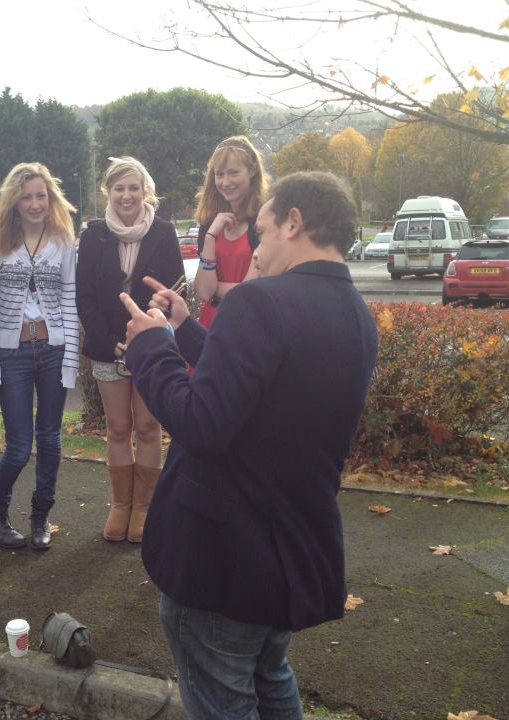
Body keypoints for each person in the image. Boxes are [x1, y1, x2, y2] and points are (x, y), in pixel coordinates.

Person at [119, 171, 379, 719]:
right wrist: (187, 330)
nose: (256, 249)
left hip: (225, 559)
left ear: (294, 221)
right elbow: (259, 389)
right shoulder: (356, 314)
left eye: (262, 231)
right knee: (269, 676)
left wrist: (151, 348)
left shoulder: (260, 302)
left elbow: (204, 422)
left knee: (226, 695)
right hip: (287, 554)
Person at [75, 157, 183, 543]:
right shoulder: (93, 235)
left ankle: (145, 508)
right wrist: (110, 341)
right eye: (119, 188)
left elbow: (174, 289)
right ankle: (121, 505)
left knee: (149, 426)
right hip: (108, 347)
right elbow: (83, 296)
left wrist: (146, 332)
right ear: (108, 192)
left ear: (145, 191)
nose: (126, 195)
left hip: (151, 345)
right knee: (119, 428)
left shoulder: (164, 233)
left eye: (133, 188)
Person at [0, 162, 79, 551]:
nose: (35, 204)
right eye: (26, 196)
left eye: (41, 195)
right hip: (13, 353)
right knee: (19, 446)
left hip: (53, 350)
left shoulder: (63, 240)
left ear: (50, 198)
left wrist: (69, 357)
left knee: (51, 440)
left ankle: (41, 516)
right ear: (13, 201)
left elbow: (69, 301)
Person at [193, 135, 268, 328]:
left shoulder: (266, 221)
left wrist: (214, 289)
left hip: (251, 322)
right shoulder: (209, 223)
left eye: (233, 173)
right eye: (219, 174)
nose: (225, 182)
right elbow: (202, 292)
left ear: (252, 170)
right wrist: (210, 236)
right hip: (212, 323)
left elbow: (250, 292)